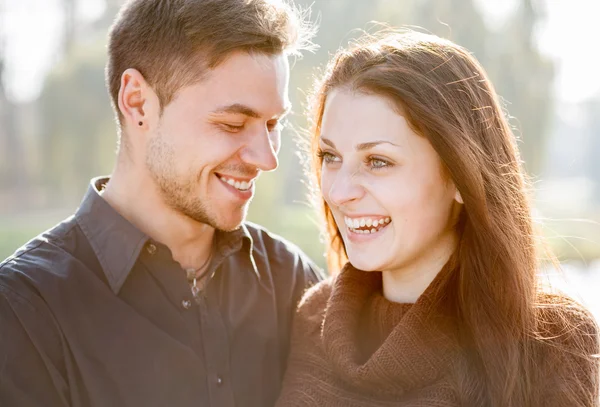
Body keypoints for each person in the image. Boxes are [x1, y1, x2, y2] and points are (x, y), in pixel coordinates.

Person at [0, 0, 323, 406]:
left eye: (273, 125)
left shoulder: (291, 281)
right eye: (232, 124)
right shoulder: (25, 310)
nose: (267, 158)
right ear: (138, 102)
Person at [276, 29, 600, 407]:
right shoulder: (314, 318)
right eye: (330, 157)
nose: (339, 191)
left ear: (461, 178)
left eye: (378, 161)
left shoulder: (551, 342)